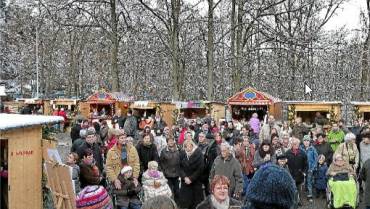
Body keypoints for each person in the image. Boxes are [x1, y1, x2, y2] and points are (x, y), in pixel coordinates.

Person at [179, 139, 205, 209]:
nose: (188, 148)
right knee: (186, 202)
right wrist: (184, 177)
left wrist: (191, 178)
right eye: (186, 147)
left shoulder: (198, 154)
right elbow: (179, 167)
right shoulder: (182, 153)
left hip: (196, 181)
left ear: (192, 146)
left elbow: (200, 168)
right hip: (185, 181)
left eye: (189, 146)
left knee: (196, 203)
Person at [285, 137, 308, 205]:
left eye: (297, 144)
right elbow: (285, 163)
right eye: (294, 144)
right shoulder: (287, 153)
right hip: (291, 174)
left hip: (299, 174)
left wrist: (304, 172)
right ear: (291, 144)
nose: (295, 145)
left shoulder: (303, 153)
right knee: (292, 190)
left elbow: (306, 164)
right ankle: (292, 202)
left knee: (300, 190)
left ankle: (300, 201)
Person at [300, 135, 318, 201]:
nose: (306, 142)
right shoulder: (300, 148)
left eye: (307, 140)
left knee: (309, 181)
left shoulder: (312, 149)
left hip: (310, 168)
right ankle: (301, 194)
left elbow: (316, 159)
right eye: (305, 140)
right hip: (303, 168)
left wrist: (313, 168)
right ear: (303, 141)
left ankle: (310, 195)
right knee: (302, 181)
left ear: (309, 141)